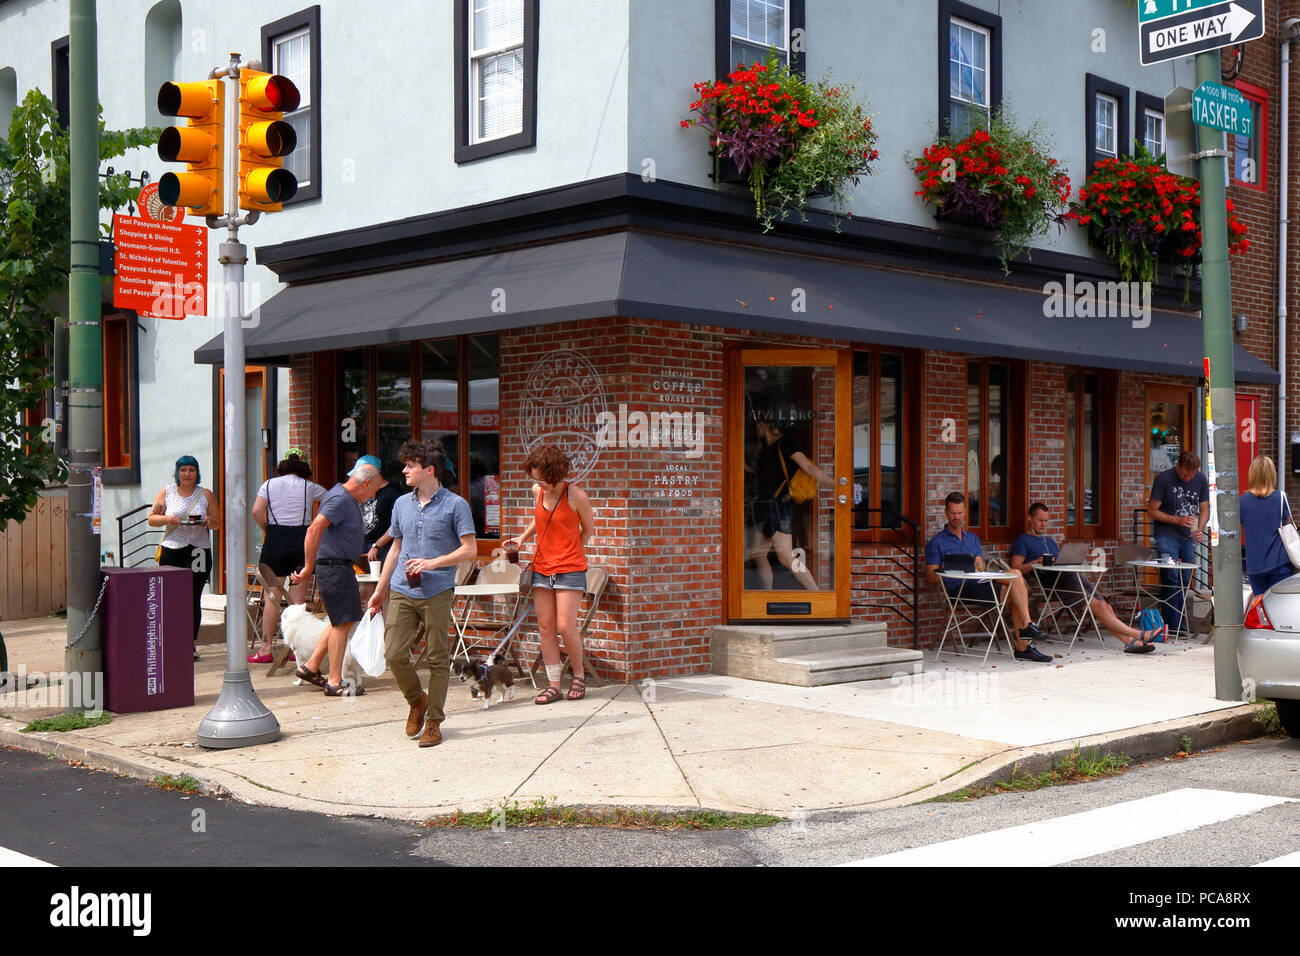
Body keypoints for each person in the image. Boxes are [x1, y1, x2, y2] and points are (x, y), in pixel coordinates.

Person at [368, 441, 476, 747]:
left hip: (437, 591)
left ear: (428, 470)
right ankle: (417, 700)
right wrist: (380, 591)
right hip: (402, 589)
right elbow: (396, 549)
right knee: (394, 654)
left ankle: (434, 721)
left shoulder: (456, 505)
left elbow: (470, 549)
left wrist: (433, 563)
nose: (404, 471)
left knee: (438, 658)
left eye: (410, 466)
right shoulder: (402, 504)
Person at [505, 444, 596, 704]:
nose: (539, 484)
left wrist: (569, 549)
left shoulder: (576, 495)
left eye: (543, 479)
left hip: (569, 568)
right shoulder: (538, 491)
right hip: (541, 567)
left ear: (556, 474)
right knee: (545, 628)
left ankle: (578, 676)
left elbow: (587, 530)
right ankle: (554, 684)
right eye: (536, 479)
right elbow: (541, 518)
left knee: (566, 626)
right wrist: (522, 538)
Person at [1010, 502, 1165, 652]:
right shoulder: (1023, 540)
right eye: (1040, 520)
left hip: (1072, 577)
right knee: (1097, 607)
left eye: (1046, 521)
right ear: (1030, 518)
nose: (1044, 524)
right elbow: (1016, 567)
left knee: (1106, 607)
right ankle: (1138, 634)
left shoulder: (1049, 541)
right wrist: (1036, 561)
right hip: (1056, 585)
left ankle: (1130, 642)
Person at [924, 492, 1052, 662]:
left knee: (1016, 574)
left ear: (965, 512)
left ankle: (1026, 635)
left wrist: (979, 564)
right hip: (957, 589)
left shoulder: (973, 538)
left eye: (960, 512)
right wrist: (948, 566)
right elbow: (931, 578)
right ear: (946, 513)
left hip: (979, 582)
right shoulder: (937, 542)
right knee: (1017, 591)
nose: (957, 517)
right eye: (953, 513)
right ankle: (1024, 643)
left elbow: (979, 567)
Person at [290, 459, 381, 695]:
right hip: (334, 568)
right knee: (342, 624)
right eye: (374, 489)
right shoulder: (340, 498)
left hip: (339, 566)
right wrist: (309, 566)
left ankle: (310, 667)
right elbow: (314, 528)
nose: (373, 495)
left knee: (340, 620)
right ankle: (334, 681)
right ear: (367, 482)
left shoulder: (342, 497)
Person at [248, 450, 327, 662]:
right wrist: (317, 525)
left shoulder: (268, 485)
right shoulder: (310, 487)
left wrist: (267, 529)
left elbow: (256, 511)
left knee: (271, 597)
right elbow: (331, 501)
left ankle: (265, 649)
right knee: (297, 599)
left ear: (282, 466)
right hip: (301, 540)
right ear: (304, 467)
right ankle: (295, 649)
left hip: (274, 540)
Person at [147, 456, 219, 661]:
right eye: (183, 470)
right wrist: (167, 518)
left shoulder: (205, 494)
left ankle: (190, 643)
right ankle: (170, 640)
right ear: (177, 472)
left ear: (197, 473)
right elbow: (152, 519)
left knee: (193, 597)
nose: (187, 474)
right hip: (173, 548)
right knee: (170, 597)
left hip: (198, 549)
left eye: (191, 470)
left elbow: (217, 522)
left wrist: (207, 521)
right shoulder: (167, 491)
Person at [748, 412, 830, 591]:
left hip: (778, 507)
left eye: (757, 424)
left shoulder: (785, 444)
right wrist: (745, 468)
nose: (755, 428)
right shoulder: (765, 450)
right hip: (764, 506)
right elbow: (765, 477)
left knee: (785, 557)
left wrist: (834, 482)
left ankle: (817, 595)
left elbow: (808, 466)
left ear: (764, 424)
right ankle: (765, 597)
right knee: (759, 553)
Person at [1147, 450, 1210, 632]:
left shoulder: (1201, 479)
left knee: (1183, 580)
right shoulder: (1164, 479)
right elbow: (1152, 511)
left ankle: (1180, 624)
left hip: (1187, 537)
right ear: (1178, 466)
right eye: (1184, 474)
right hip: (1167, 535)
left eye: (1191, 475)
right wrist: (1177, 520)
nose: (1188, 479)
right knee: (1171, 578)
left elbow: (1205, 508)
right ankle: (1172, 626)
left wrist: (1199, 529)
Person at [1240, 455, 1297, 597]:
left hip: (1255, 564)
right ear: (1272, 474)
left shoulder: (1242, 501)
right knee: (1280, 606)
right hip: (1280, 563)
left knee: (1260, 607)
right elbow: (1288, 524)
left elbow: (1244, 529)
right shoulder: (1281, 498)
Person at [362, 459, 405, 567]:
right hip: (365, 546)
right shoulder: (366, 491)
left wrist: (377, 546)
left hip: (385, 548)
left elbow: (396, 525)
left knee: (379, 581)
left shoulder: (393, 493)